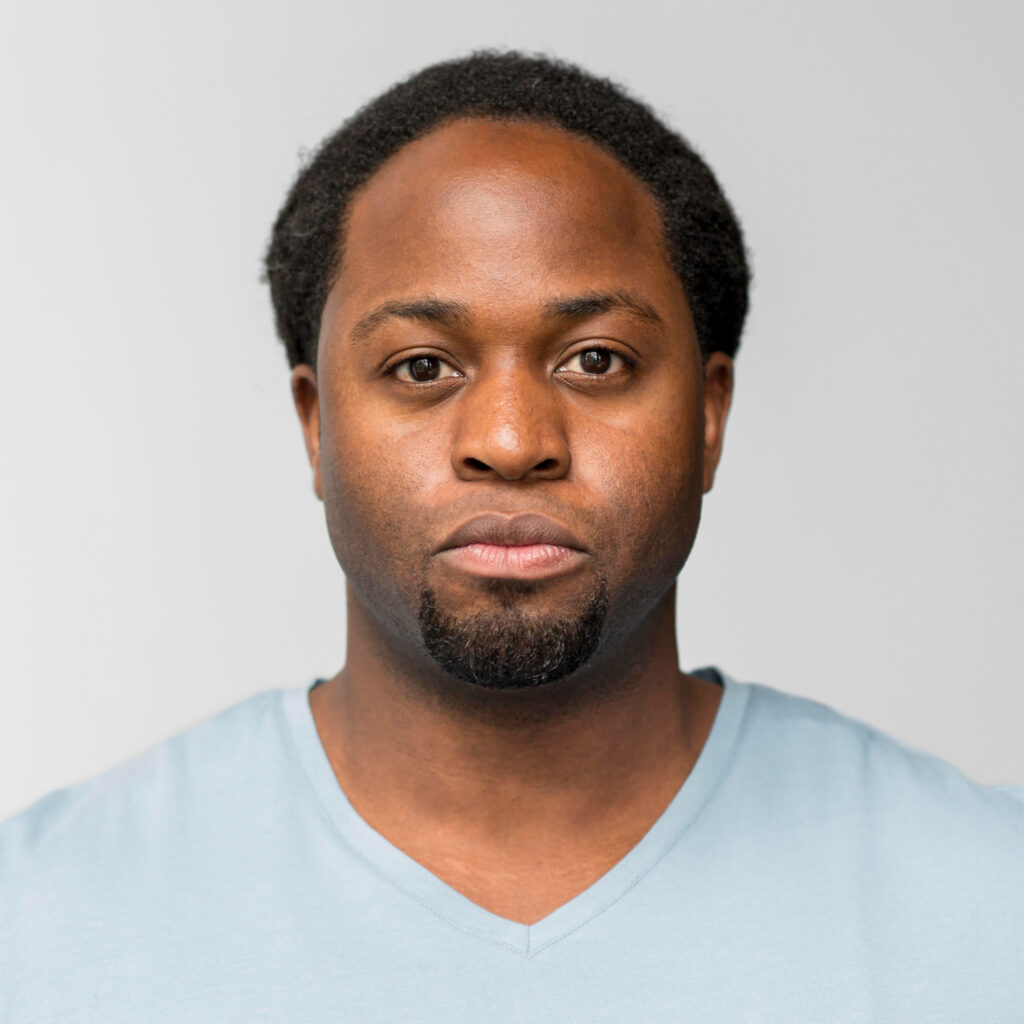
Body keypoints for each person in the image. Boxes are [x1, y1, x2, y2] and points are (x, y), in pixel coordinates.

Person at [1, 50, 1021, 1022]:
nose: (509, 440)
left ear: (708, 416)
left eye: (595, 360)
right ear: (316, 426)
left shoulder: (987, 902)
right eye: (420, 367)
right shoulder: (39, 921)